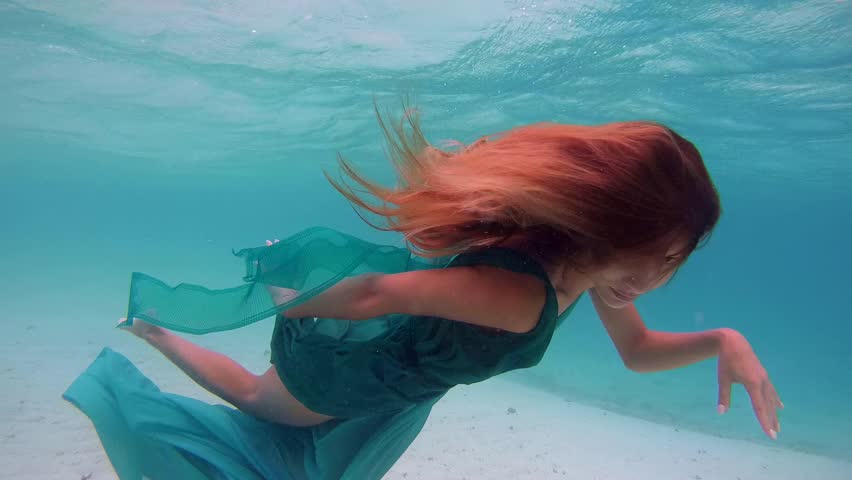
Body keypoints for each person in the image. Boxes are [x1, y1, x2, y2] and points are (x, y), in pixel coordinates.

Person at [64, 106, 782, 480]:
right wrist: (283, 304)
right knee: (260, 401)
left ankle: (252, 304)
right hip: (361, 365)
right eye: (673, 256)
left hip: (410, 379)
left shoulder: (592, 273)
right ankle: (156, 328)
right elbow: (378, 293)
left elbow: (638, 353)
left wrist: (726, 341)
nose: (671, 272)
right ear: (627, 241)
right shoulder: (524, 294)